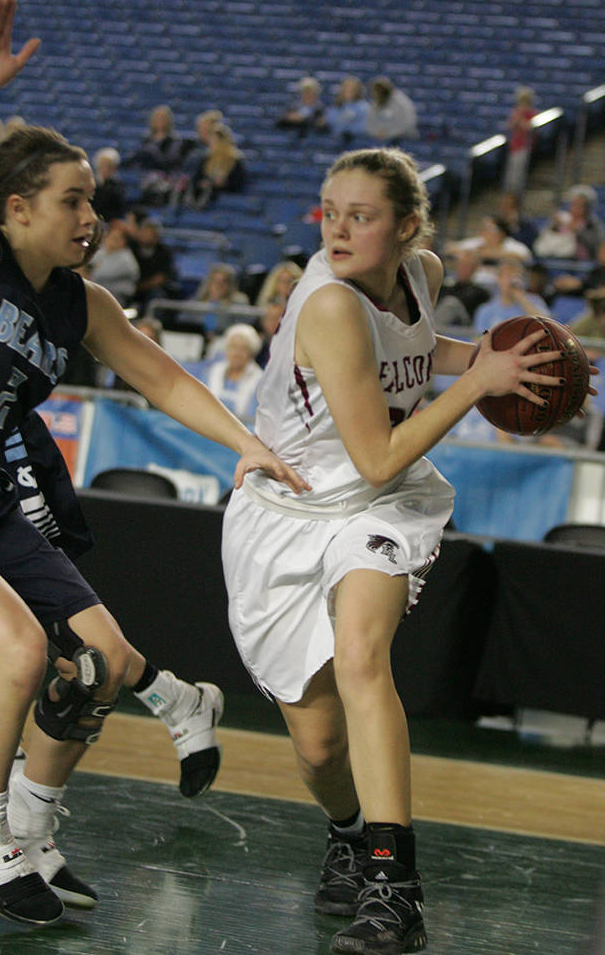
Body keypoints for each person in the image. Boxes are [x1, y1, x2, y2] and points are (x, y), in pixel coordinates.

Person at [0, 0, 308, 929]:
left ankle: (31, 832)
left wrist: (249, 446)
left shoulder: (81, 305)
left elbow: (164, 382)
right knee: (21, 653)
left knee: (102, 664)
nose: (93, 214)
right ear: (15, 208)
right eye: (73, 200)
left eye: (93, 199)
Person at [221, 146, 585, 955]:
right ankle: (349, 832)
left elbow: (418, 364)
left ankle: (394, 887)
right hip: (286, 512)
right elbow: (376, 446)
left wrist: (497, 362)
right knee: (317, 747)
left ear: (410, 226)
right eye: (330, 213)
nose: (339, 228)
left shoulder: (418, 271)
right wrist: (474, 387)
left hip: (380, 505)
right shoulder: (328, 307)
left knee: (361, 656)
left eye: (362, 214)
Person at [473, 256, 550, 335]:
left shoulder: (535, 301)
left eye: (516, 276)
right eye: (508, 276)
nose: (512, 280)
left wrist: (521, 298)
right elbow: (478, 338)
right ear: (499, 279)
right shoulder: (486, 309)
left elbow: (546, 326)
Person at [203, 324, 264, 423]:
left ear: (251, 352)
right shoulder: (212, 372)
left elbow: (254, 419)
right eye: (233, 347)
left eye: (243, 349)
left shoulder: (260, 380)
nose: (237, 353)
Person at [182, 122, 246, 209]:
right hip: (204, 191)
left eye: (214, 141)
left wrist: (223, 184)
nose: (211, 144)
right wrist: (202, 183)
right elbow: (197, 177)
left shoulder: (235, 161)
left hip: (223, 195)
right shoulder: (206, 159)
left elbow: (238, 183)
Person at [84, 219, 140, 307]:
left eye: (117, 238)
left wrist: (84, 274)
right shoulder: (101, 251)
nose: (112, 240)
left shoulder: (126, 259)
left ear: (123, 241)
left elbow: (98, 276)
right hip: (96, 294)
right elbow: (84, 264)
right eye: (111, 237)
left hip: (116, 300)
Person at [502, 86, 536, 196]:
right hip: (515, 145)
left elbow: (529, 128)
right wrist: (517, 115)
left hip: (524, 145)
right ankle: (509, 191)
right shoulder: (516, 112)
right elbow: (510, 125)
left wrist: (521, 117)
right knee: (511, 170)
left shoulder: (531, 113)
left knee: (519, 170)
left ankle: (517, 193)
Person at [365, 76, 419, 144]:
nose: (376, 93)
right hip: (381, 137)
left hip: (402, 137)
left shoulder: (401, 101)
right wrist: (376, 132)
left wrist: (389, 133)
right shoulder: (375, 102)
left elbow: (407, 122)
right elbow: (370, 122)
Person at [325, 76, 369, 145]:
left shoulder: (363, 107)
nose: (348, 91)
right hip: (336, 141)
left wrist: (347, 128)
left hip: (355, 142)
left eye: (352, 89)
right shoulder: (336, 105)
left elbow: (363, 126)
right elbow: (330, 119)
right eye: (346, 88)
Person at [91, 147, 126, 224]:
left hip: (109, 223)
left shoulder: (118, 186)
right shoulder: (91, 183)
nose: (105, 169)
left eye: (109, 166)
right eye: (103, 165)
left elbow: (118, 207)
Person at [256, 299, 286, 368]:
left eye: (277, 318)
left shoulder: (292, 347)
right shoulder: (258, 345)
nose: (272, 322)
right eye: (269, 318)